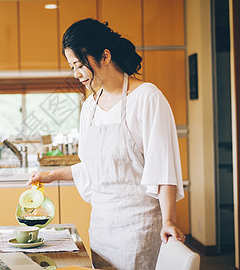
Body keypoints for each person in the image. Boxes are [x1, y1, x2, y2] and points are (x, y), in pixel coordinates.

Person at [28, 18, 185, 270]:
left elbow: (162, 166)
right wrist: (51, 175)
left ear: (104, 56)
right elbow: (95, 168)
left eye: (79, 64)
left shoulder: (146, 98)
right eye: (71, 67)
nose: (76, 74)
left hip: (138, 229)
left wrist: (169, 220)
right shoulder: (89, 107)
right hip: (101, 229)